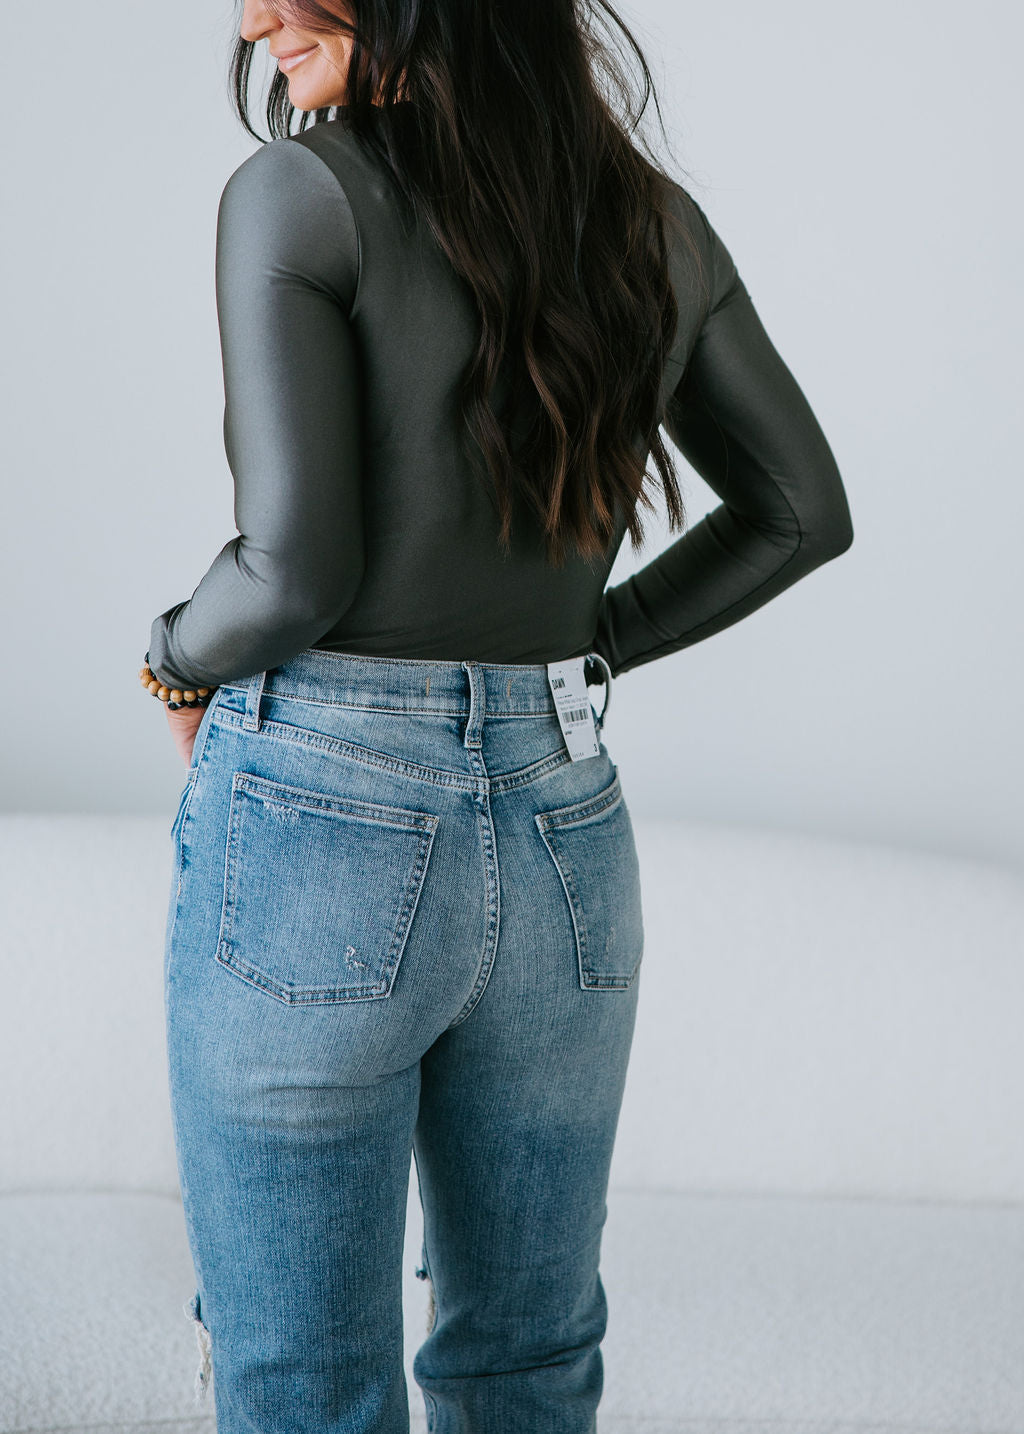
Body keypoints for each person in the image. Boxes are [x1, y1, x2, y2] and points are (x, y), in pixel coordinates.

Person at [142, 1, 854, 1429]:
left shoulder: (297, 193)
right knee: (526, 1366)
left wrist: (170, 659)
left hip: (322, 829)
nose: (254, 14)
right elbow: (801, 512)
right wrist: (584, 648)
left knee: (302, 1387)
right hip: (563, 830)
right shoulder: (653, 226)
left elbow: (292, 574)